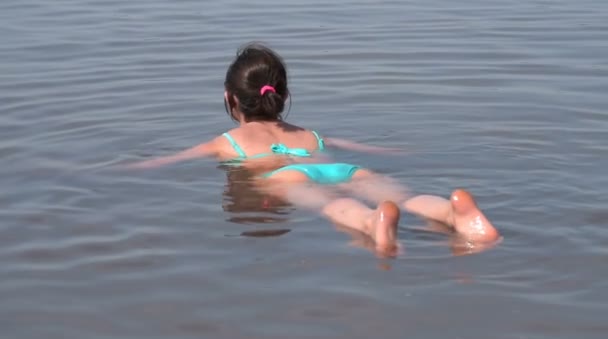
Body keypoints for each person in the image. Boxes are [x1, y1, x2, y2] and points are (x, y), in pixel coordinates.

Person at [125, 42, 501, 257]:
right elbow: (377, 151)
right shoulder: (311, 134)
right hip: (347, 169)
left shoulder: (225, 143)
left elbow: (163, 162)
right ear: (283, 96)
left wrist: (113, 170)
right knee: (404, 195)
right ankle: (452, 214)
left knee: (331, 206)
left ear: (230, 100)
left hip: (284, 178)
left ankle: (371, 224)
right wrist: (408, 152)